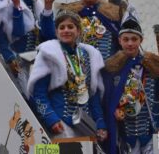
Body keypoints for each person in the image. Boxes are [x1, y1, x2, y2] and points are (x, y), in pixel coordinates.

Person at [101, 6, 159, 154]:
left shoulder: (153, 67)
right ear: (119, 40)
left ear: (141, 40)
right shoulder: (113, 70)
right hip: (126, 139)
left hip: (151, 136)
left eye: (134, 39)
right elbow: (107, 102)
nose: (130, 43)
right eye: (126, 39)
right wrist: (114, 111)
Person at [27, 10, 107, 141]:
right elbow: (39, 94)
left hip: (85, 125)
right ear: (57, 32)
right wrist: (51, 119)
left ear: (78, 31)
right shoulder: (49, 54)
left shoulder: (89, 55)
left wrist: (100, 123)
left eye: (70, 27)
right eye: (61, 27)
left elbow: (93, 94)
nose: (66, 30)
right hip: (60, 124)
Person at [0, 0, 59, 95]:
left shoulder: (38, 5)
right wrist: (17, 7)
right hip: (19, 61)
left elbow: (49, 36)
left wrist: (48, 6)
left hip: (38, 61)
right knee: (26, 98)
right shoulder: (9, 4)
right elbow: (18, 32)